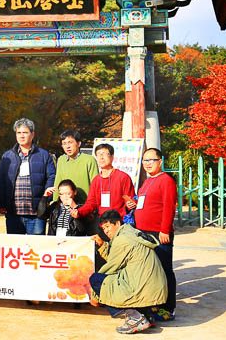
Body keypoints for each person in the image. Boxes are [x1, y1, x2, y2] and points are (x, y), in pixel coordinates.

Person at [88, 210, 168, 334]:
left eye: (108, 226)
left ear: (118, 223)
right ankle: (146, 315)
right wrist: (103, 244)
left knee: (96, 280)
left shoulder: (122, 239)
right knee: (122, 278)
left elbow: (110, 267)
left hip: (143, 288)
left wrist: (95, 294)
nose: (106, 231)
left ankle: (135, 318)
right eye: (104, 228)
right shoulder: (132, 232)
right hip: (154, 289)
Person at [133, 148, 178, 321]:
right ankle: (154, 303)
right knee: (150, 271)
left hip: (158, 233)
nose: (148, 163)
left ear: (160, 161)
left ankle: (169, 307)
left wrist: (165, 229)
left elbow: (169, 206)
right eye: (145, 160)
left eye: (152, 160)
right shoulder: (146, 181)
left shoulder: (166, 180)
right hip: (143, 232)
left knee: (165, 270)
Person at [0, 117, 56, 235]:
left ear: (32, 134)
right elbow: (1, 181)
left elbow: (52, 176)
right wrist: (1, 203)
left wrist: (45, 198)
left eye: (25, 132)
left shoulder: (44, 155)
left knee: (36, 248)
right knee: (15, 248)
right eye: (19, 133)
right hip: (13, 213)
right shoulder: (7, 156)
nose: (21, 136)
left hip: (36, 213)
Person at [72, 143, 135, 222]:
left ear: (112, 157)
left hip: (119, 221)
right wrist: (79, 212)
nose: (101, 157)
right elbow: (91, 203)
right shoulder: (96, 180)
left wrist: (130, 204)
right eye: (98, 154)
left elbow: (130, 198)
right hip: (102, 222)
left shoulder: (123, 177)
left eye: (105, 154)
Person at [46, 129, 98, 205]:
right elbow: (58, 182)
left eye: (70, 142)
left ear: (79, 143)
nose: (67, 146)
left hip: (84, 205)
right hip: (65, 205)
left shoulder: (89, 160)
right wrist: (55, 202)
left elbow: (95, 185)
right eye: (64, 143)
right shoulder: (61, 160)